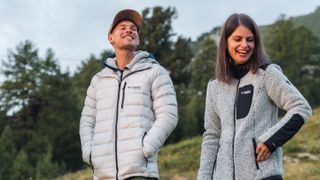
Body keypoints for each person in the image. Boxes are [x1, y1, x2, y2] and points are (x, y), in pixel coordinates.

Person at [197, 13, 312, 180]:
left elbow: (301, 107)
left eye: (249, 40)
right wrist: (204, 177)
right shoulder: (215, 86)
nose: (244, 45)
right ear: (226, 42)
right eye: (237, 39)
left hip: (263, 175)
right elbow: (212, 135)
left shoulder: (267, 74)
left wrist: (271, 141)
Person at [79, 9, 178, 180]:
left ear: (138, 39)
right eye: (122, 27)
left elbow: (168, 115)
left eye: (133, 28)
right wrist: (89, 153)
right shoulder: (98, 80)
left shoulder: (155, 71)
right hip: (102, 175)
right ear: (111, 38)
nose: (129, 30)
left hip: (139, 173)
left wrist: (145, 148)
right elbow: (87, 120)